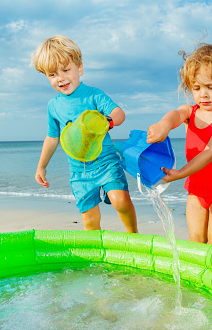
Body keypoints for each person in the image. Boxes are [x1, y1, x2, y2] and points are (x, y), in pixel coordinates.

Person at [146, 43, 212, 251]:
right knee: (196, 241)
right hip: (196, 189)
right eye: (197, 88)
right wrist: (163, 126)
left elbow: (209, 152)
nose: (203, 94)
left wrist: (181, 173)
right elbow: (176, 115)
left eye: (211, 87)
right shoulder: (190, 111)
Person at [32, 35, 138, 233]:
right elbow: (53, 137)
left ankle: (133, 234)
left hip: (106, 161)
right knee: (89, 218)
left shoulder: (93, 94)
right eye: (52, 74)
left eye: (66, 70)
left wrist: (109, 121)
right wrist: (41, 166)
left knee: (120, 200)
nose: (60, 78)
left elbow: (119, 113)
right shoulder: (53, 106)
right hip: (79, 169)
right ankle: (94, 252)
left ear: (79, 68)